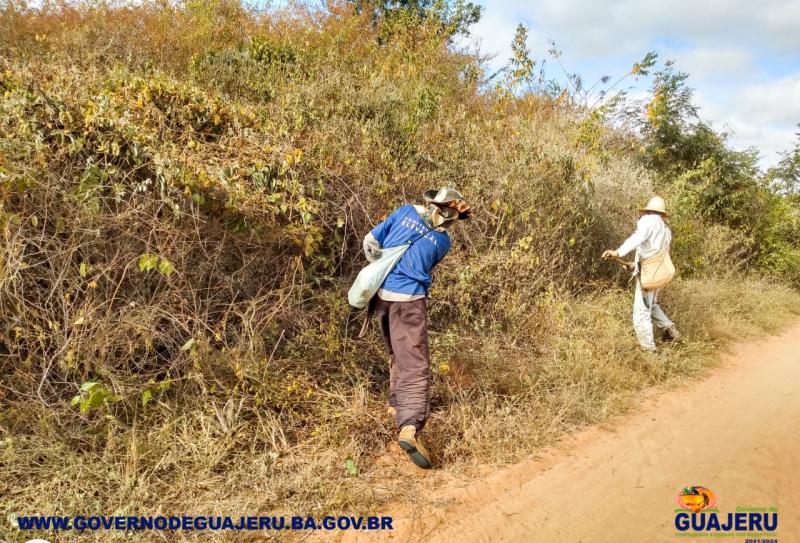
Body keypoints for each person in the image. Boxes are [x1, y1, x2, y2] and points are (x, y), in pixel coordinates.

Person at [362, 187, 470, 469]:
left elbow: (370, 241)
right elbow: (425, 264)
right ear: (450, 215)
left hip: (381, 298)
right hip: (409, 303)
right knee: (416, 364)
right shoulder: (442, 242)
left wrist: (381, 269)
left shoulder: (404, 212)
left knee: (396, 354)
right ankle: (409, 428)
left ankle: (395, 404)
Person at [602, 196, 680, 352]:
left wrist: (618, 252)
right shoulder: (665, 229)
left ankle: (649, 350)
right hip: (658, 273)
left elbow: (637, 239)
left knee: (641, 312)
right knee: (651, 304)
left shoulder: (649, 221)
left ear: (649, 210)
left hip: (649, 276)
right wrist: (634, 266)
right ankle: (669, 328)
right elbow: (654, 253)